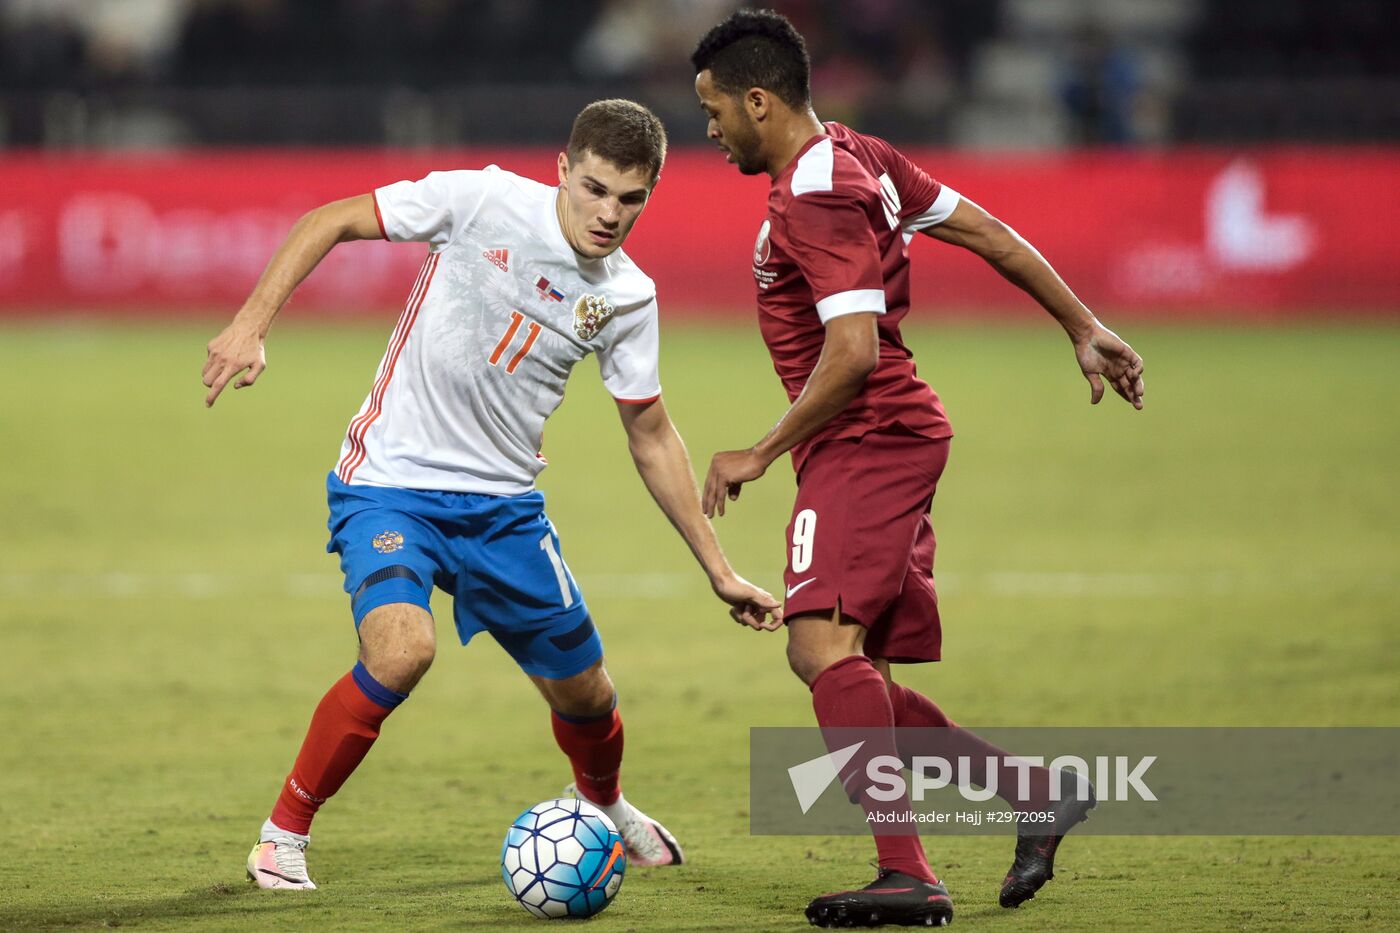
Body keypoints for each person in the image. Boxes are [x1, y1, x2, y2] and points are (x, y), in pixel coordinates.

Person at [202, 98, 783, 891]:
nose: (608, 213)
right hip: (391, 482)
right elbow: (330, 220)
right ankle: (283, 832)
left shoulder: (628, 296)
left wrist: (718, 566)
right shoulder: (480, 200)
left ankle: (604, 803)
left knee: (589, 691)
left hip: (504, 509)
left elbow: (650, 433)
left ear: (650, 193)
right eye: (594, 188)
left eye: (630, 198)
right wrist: (250, 324)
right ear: (562, 171)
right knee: (402, 650)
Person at [691, 10, 1145, 928]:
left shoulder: (816, 189)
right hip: (886, 433)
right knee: (858, 669)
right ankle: (1032, 793)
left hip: (866, 435)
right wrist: (1080, 322)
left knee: (819, 649)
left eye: (711, 109)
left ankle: (909, 875)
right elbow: (985, 231)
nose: (709, 128)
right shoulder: (855, 150)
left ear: (756, 99)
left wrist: (760, 449)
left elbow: (852, 352)